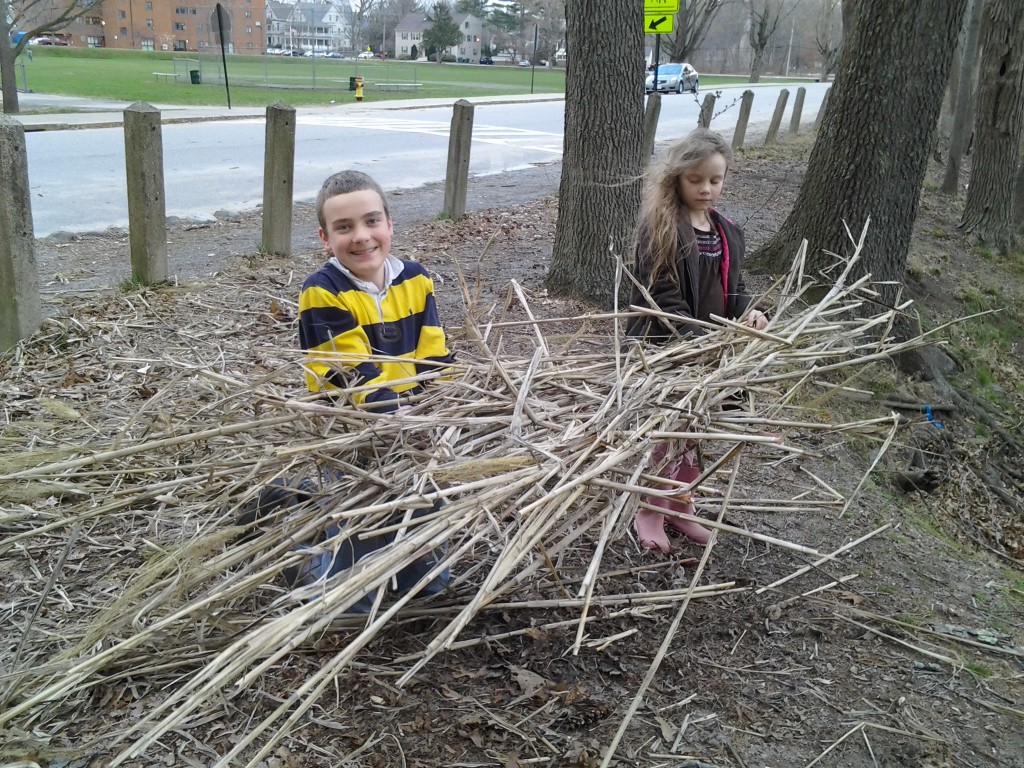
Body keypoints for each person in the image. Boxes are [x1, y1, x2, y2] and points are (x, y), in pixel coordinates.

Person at [240, 171, 455, 610]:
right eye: (344, 228)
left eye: (372, 221)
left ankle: (420, 585)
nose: (361, 237)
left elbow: (434, 350)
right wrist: (399, 418)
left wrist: (453, 402)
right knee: (360, 533)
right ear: (325, 237)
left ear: (390, 225)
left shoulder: (415, 278)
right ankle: (314, 574)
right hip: (352, 434)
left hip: (414, 427)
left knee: (424, 516)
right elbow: (349, 374)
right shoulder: (322, 292)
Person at [626, 128, 768, 553]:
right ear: (677, 179)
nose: (706, 189)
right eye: (696, 180)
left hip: (715, 354)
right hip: (669, 350)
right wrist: (700, 341)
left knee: (697, 433)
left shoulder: (727, 231)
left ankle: (680, 506)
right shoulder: (662, 229)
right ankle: (649, 511)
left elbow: (734, 286)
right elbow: (662, 299)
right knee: (668, 432)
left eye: (715, 180)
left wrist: (749, 313)